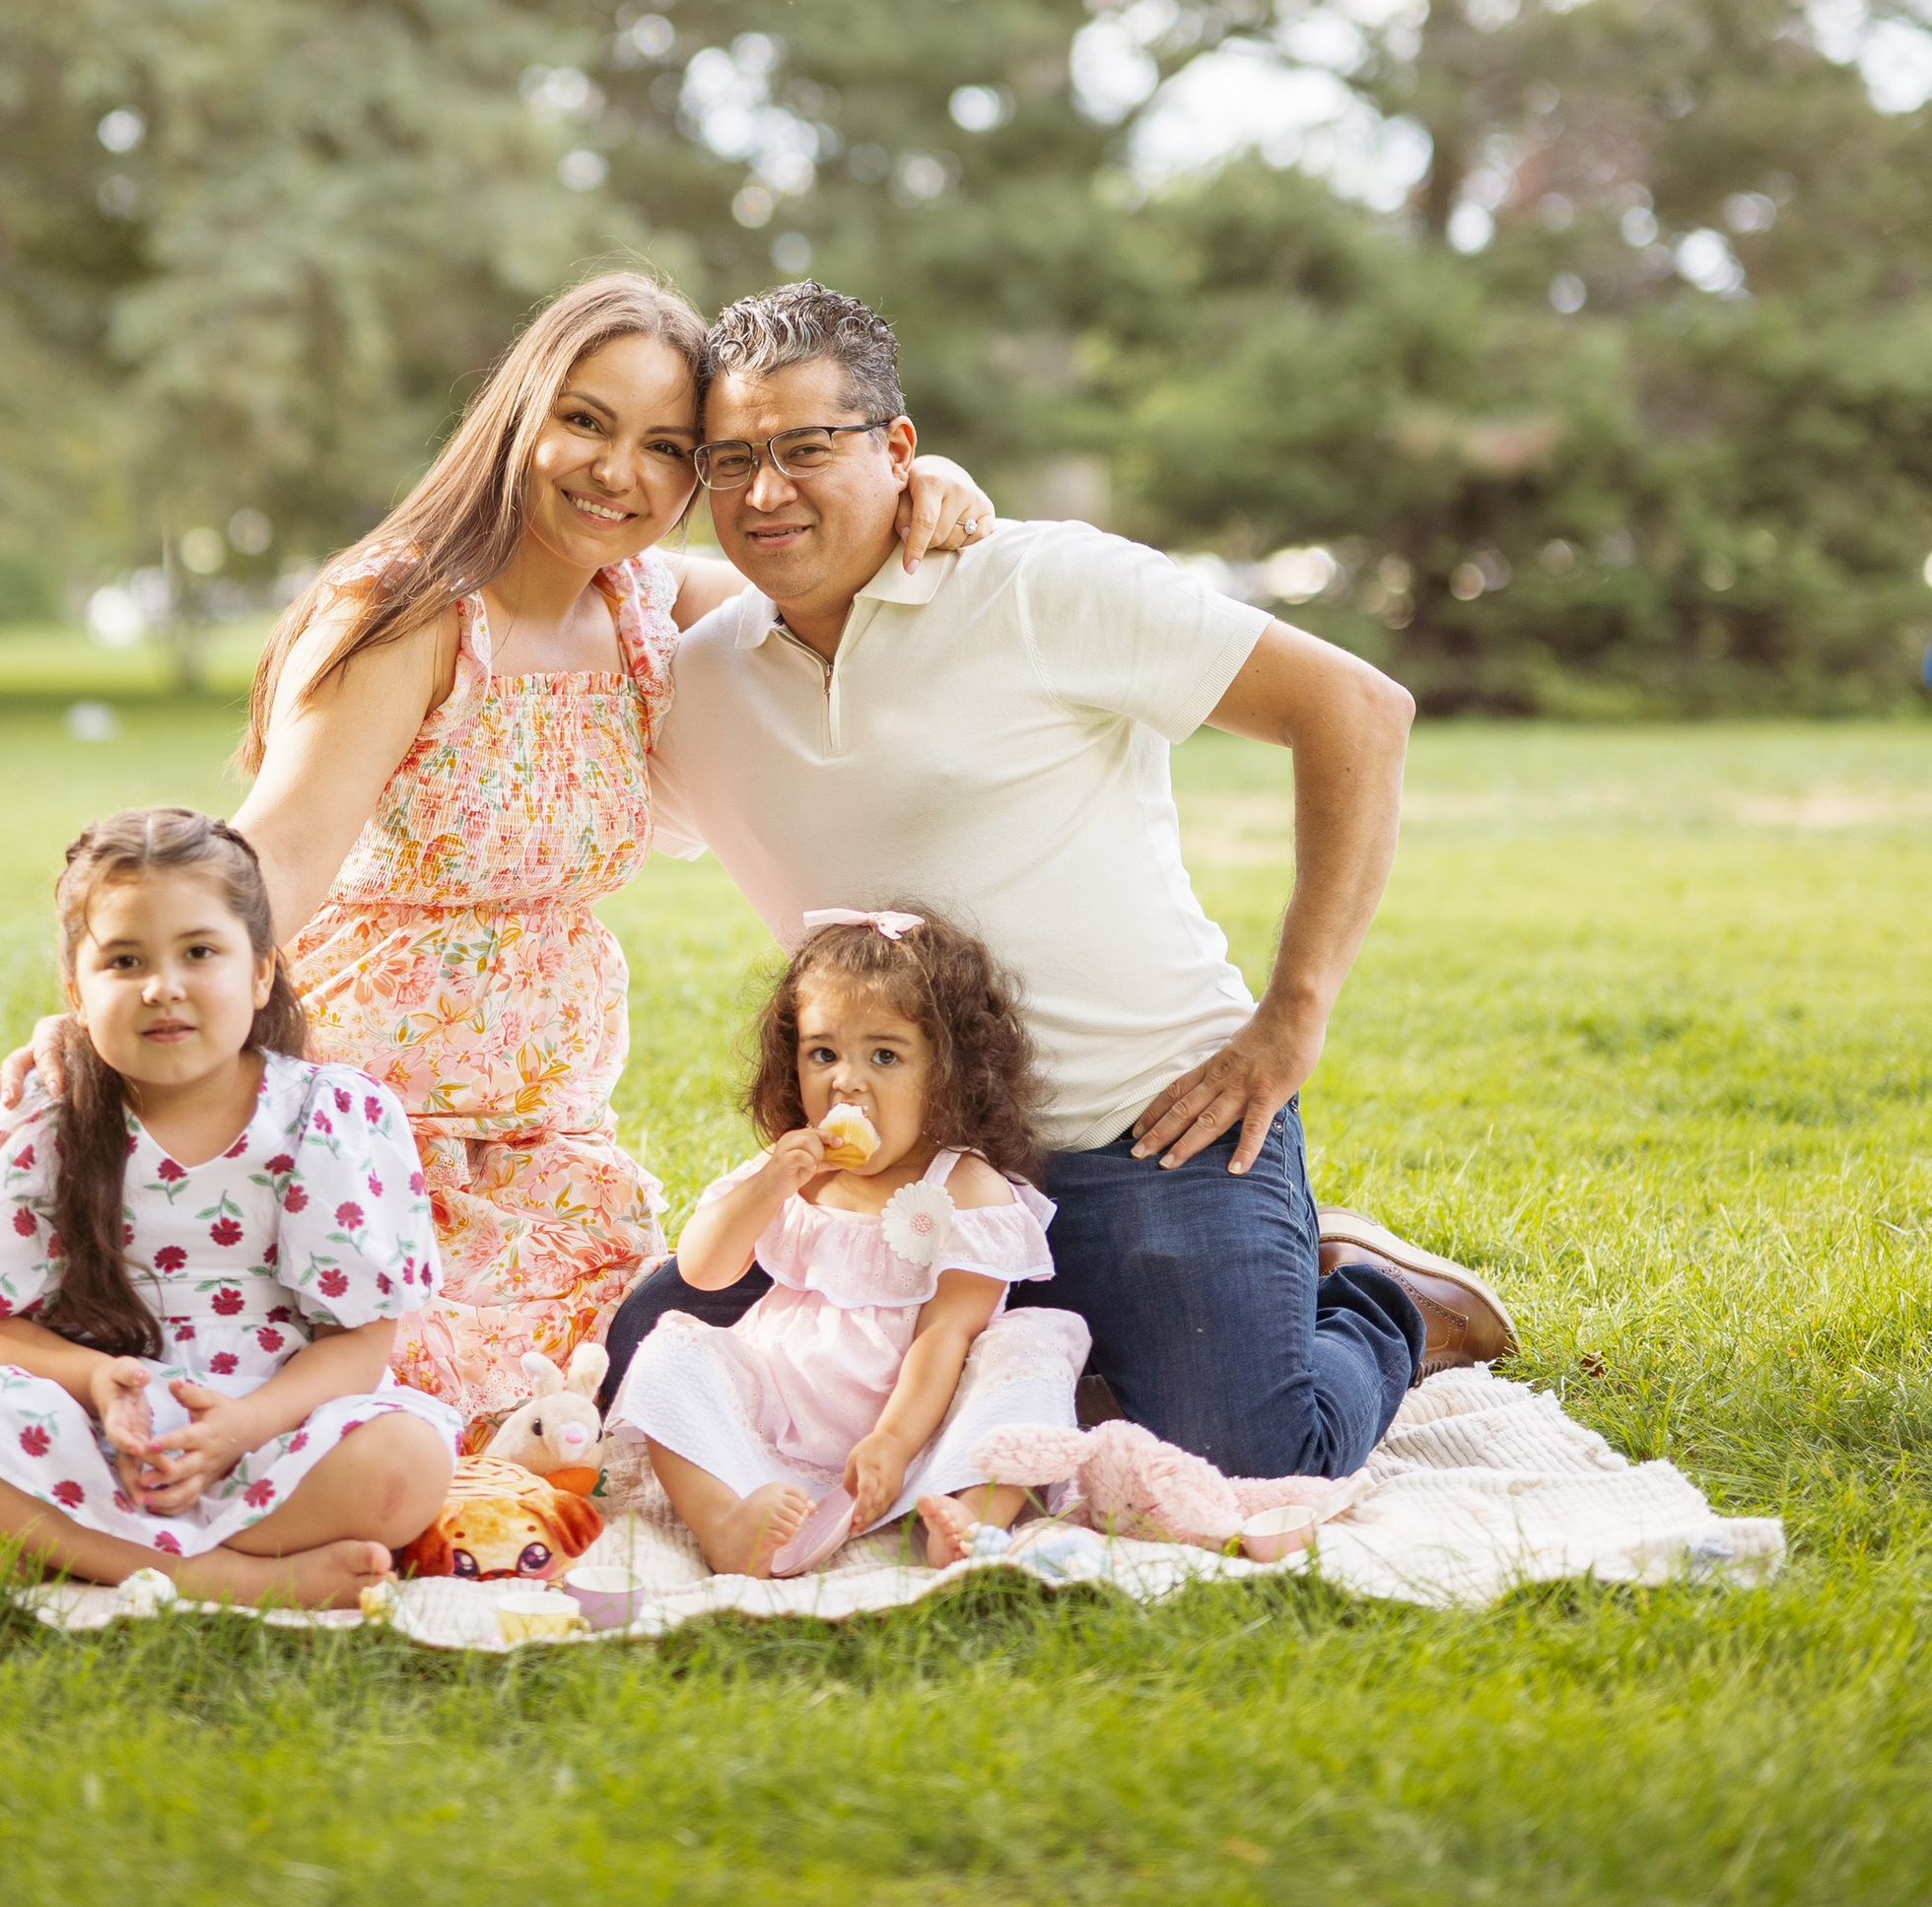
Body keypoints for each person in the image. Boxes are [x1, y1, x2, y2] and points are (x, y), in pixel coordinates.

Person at [0, 273, 995, 1419]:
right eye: (584, 421)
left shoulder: (644, 604)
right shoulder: (415, 612)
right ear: (519, 415)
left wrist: (926, 481)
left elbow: (827, 567)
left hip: (547, 1132)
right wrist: (131, 1002)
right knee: (385, 1375)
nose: (618, 470)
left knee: (623, 1366)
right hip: (368, 1113)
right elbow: (284, 848)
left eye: (666, 445)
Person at [610, 280, 1517, 1483]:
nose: (764, 490)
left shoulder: (1042, 584)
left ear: (896, 449)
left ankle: (1377, 1298)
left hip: (1145, 1128)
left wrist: (1291, 1017)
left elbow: (1354, 708)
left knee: (1240, 1456)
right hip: (888, 1173)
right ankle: (1056, 1355)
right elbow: (604, 592)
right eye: (728, 459)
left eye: (805, 448)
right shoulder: (700, 681)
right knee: (642, 1365)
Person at [0, 808, 454, 1609]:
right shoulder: (54, 1116)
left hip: (271, 1421)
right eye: (124, 959)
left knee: (407, 1463)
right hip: (90, 1423)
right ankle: (227, 1577)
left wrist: (243, 1425)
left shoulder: (326, 1117)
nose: (163, 985)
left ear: (259, 972)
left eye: (200, 951)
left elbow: (360, 1341)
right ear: (77, 991)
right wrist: (96, 1381)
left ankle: (70, 1547)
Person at [612, 908, 1088, 1574]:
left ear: (947, 1072)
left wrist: (893, 1441)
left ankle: (969, 1520)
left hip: (917, 1434)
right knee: (671, 1349)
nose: (847, 1079)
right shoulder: (794, 1174)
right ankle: (726, 1522)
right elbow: (702, 1269)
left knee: (1034, 1345)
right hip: (777, 1414)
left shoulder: (969, 1190)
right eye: (823, 1052)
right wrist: (768, 1185)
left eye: (885, 1055)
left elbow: (945, 1332)